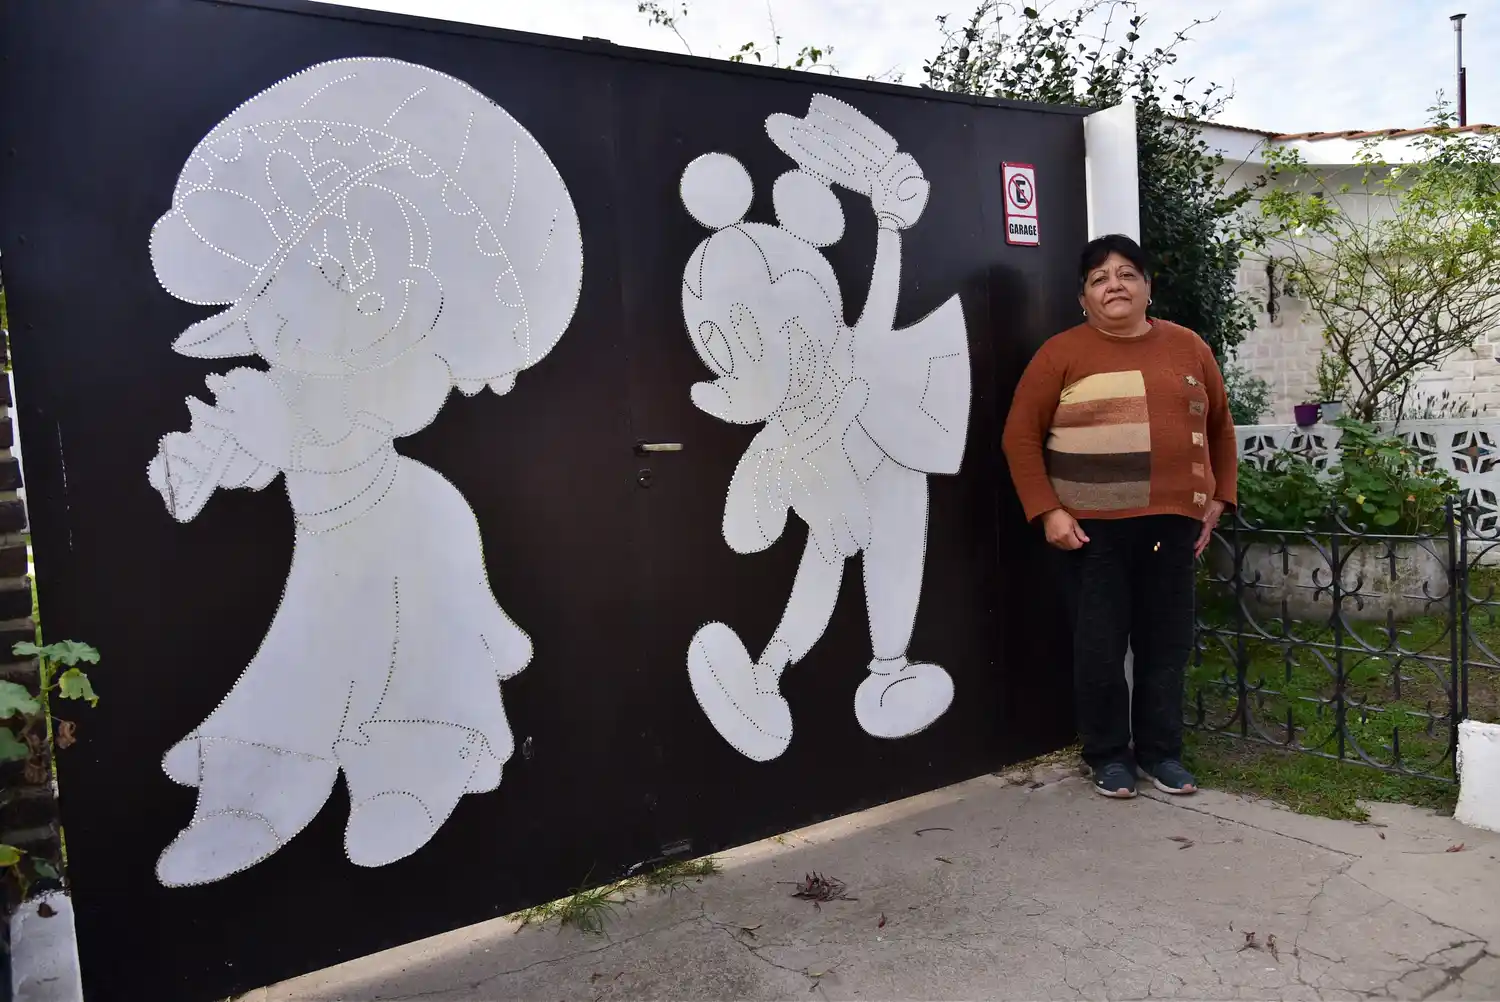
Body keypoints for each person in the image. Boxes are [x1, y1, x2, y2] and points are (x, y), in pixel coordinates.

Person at [1001, 234, 1237, 799]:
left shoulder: (1189, 347)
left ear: (1148, 288)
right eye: (1100, 278)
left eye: (1128, 274)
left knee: (1166, 645)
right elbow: (1019, 437)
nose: (1115, 285)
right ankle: (1107, 754)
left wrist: (1219, 499)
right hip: (1091, 532)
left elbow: (1221, 429)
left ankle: (1162, 753)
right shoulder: (1060, 354)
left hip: (1174, 526)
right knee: (1100, 648)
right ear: (1082, 296)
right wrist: (1048, 512)